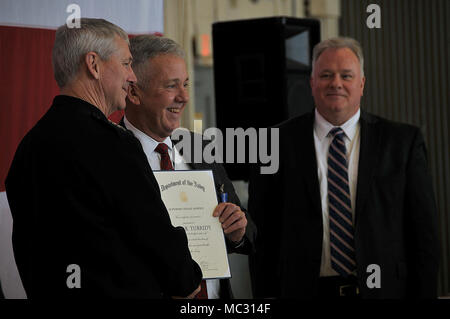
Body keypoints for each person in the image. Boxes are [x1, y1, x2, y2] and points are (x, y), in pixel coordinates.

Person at [5, 18, 202, 298]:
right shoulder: (114, 145)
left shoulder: (28, 147)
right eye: (125, 64)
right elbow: (162, 247)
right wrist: (188, 279)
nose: (132, 76)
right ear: (94, 65)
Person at [248, 37, 439, 299]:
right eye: (326, 75)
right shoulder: (273, 145)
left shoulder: (402, 143)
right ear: (312, 82)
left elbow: (424, 237)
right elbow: (262, 238)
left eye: (346, 75)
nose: (336, 83)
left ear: (361, 84)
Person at [123, 35, 256, 299]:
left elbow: (249, 232)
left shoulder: (200, 147)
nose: (184, 97)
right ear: (134, 92)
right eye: (171, 86)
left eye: (185, 84)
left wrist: (238, 231)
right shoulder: (110, 155)